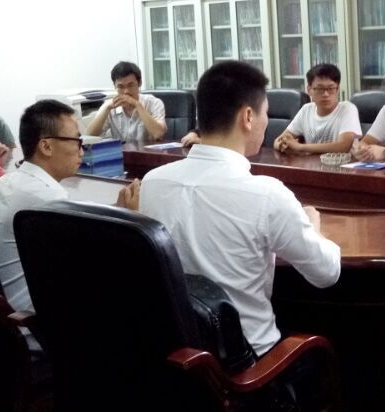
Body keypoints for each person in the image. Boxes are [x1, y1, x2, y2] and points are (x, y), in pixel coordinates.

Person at [139, 60, 340, 357]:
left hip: (181, 356)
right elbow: (326, 273)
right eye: (265, 113)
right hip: (249, 362)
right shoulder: (267, 194)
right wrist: (313, 227)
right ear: (247, 116)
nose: (266, 122)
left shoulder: (153, 182)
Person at [0, 100, 140, 311]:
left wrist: (117, 210)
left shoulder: (9, 181)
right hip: (35, 318)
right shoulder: (47, 199)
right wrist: (129, 217)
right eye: (76, 141)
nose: (82, 151)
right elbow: (99, 257)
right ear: (46, 146)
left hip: (6, 312)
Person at [272, 63, 361, 154]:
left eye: (331, 88)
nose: (326, 94)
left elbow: (343, 146)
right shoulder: (306, 110)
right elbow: (281, 138)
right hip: (311, 163)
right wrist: (281, 144)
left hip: (342, 163)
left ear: (337, 89)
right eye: (320, 89)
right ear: (309, 90)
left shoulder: (347, 109)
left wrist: (300, 147)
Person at [86, 61, 166, 144]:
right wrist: (107, 109)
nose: (126, 91)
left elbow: (158, 134)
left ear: (139, 83)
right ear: (114, 86)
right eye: (121, 87)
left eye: (130, 85)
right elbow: (89, 137)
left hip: (148, 152)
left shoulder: (154, 103)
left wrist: (137, 105)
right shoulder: (109, 106)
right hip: (121, 152)